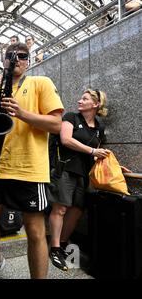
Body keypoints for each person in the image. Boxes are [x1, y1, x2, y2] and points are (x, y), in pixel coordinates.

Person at [0, 42, 64, 279]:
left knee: (35, 232)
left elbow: (57, 125)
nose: (15, 60)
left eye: (21, 56)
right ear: (2, 60)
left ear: (28, 61)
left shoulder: (41, 83)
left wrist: (22, 113)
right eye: (9, 56)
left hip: (29, 168)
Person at [47, 89, 110, 271]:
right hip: (66, 169)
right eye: (81, 97)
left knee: (76, 210)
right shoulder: (71, 118)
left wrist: (115, 167)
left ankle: (64, 244)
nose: (80, 100)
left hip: (84, 173)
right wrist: (91, 151)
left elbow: (99, 153)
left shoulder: (99, 127)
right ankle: (55, 247)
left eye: (85, 98)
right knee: (60, 208)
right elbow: (66, 140)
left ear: (96, 104)